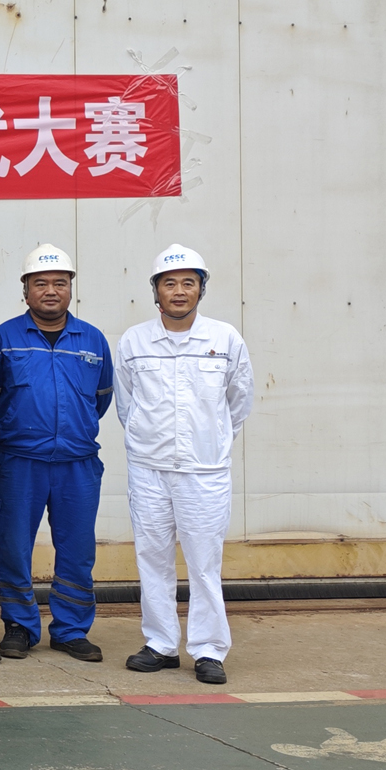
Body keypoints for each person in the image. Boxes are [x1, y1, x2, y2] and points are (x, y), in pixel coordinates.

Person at [117, 244, 253, 685]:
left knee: (204, 564)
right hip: (149, 470)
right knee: (152, 559)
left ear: (201, 289)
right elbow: (126, 405)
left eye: (188, 283)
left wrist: (210, 442)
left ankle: (209, 649)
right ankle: (160, 644)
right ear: (156, 290)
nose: (179, 291)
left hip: (204, 473)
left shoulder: (225, 339)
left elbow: (239, 401)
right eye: (169, 283)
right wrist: (149, 441)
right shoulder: (134, 341)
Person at [0, 244, 112, 663]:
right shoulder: (4, 338)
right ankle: (19, 627)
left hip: (77, 463)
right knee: (13, 547)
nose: (50, 291)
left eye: (60, 283)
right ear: (25, 290)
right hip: (18, 462)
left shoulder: (93, 339)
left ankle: (71, 630)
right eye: (40, 283)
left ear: (71, 289)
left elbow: (100, 398)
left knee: (77, 550)